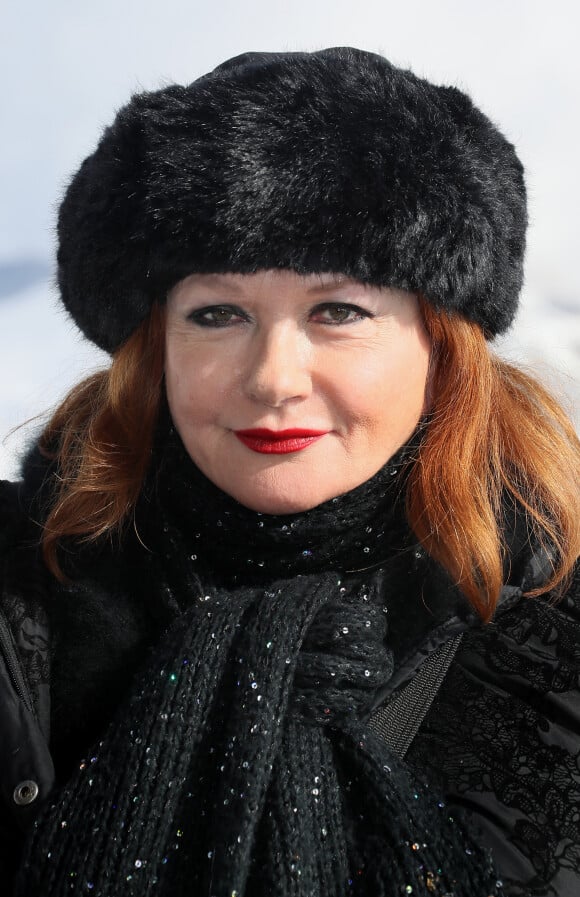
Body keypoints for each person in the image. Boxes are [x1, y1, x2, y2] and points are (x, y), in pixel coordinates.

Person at [0, 47, 578, 897]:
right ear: (155, 348)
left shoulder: (552, 638)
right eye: (218, 313)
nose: (273, 377)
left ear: (441, 347)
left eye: (338, 311)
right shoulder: (21, 596)